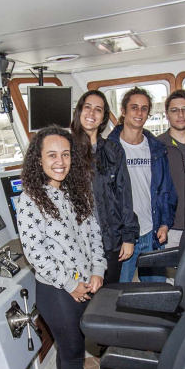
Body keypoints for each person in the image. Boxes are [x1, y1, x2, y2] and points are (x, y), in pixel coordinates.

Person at [15, 126, 106, 369]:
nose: (60, 162)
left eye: (65, 155)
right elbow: (35, 253)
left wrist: (98, 270)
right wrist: (69, 283)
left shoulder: (78, 192)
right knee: (74, 352)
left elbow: (94, 234)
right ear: (39, 159)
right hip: (56, 290)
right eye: (52, 155)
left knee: (68, 348)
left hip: (85, 282)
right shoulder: (29, 200)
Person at [108, 87, 177, 282]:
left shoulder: (156, 148)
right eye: (134, 107)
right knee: (117, 295)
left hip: (151, 232)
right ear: (123, 111)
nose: (139, 113)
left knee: (158, 295)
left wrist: (165, 223)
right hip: (124, 236)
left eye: (144, 109)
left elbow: (166, 189)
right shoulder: (109, 150)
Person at [69, 90, 138, 284]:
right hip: (78, 244)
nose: (91, 113)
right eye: (87, 107)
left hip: (111, 241)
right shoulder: (65, 150)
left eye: (98, 110)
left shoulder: (113, 151)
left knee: (107, 300)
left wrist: (128, 237)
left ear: (103, 118)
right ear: (79, 111)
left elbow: (125, 196)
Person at [157, 89, 185, 247]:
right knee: (170, 272)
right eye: (174, 110)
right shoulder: (157, 147)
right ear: (167, 115)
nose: (180, 114)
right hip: (168, 229)